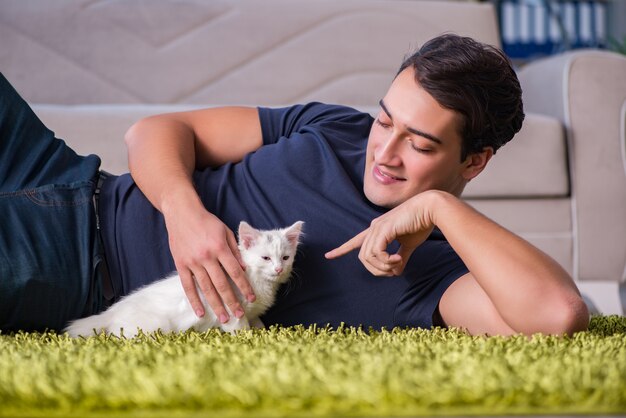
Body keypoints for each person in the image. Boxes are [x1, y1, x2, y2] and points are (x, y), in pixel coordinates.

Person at [0, 34, 589, 336]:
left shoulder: (431, 274)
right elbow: (156, 132)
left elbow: (559, 314)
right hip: (67, 175)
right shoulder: (336, 126)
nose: (381, 151)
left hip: (72, 266)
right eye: (385, 119)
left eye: (420, 143)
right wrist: (185, 216)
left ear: (475, 162)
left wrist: (436, 207)